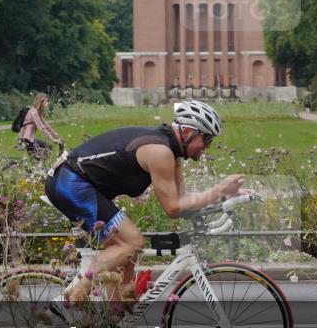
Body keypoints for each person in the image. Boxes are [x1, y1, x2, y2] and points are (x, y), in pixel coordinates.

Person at [44, 100, 248, 306]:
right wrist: (218, 189)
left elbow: (182, 200)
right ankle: (68, 300)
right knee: (132, 243)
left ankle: (114, 321)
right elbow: (172, 208)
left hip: (76, 182)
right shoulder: (160, 152)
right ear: (188, 132)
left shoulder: (172, 153)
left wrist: (224, 196)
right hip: (70, 183)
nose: (207, 147)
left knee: (125, 256)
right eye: (207, 139)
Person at [18, 93, 63, 161]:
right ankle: (39, 168)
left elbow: (47, 126)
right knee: (41, 156)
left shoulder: (38, 113)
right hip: (27, 140)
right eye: (46, 101)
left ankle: (39, 167)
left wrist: (57, 136)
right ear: (41, 102)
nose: (47, 103)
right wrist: (52, 139)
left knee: (48, 147)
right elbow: (41, 127)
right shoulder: (34, 112)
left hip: (31, 139)